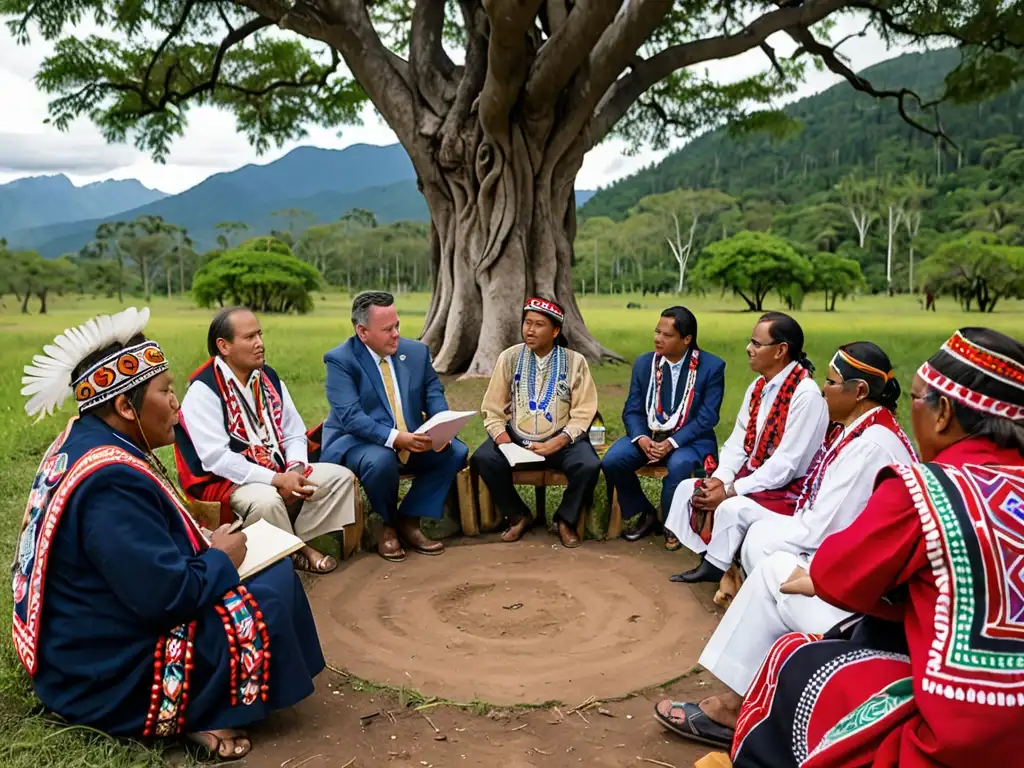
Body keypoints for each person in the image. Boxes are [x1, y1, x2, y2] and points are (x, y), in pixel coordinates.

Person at [14, 307, 324, 761]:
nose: (177, 402)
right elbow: (165, 598)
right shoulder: (108, 480)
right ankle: (197, 711)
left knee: (270, 577)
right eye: (166, 391)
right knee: (271, 593)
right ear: (124, 407)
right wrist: (220, 555)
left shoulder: (86, 440)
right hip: (101, 670)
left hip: (86, 633)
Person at [730, 328, 1024, 768]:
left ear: (943, 413)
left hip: (957, 731)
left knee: (798, 664)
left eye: (919, 400)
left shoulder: (928, 488)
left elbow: (837, 569)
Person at [651, 342, 916, 749]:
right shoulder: (864, 430)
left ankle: (735, 708)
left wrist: (811, 573)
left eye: (830, 382)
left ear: (859, 391)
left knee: (771, 564)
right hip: (852, 575)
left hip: (866, 610)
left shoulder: (871, 444)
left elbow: (822, 531)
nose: (823, 388)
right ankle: (743, 694)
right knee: (765, 553)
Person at [175, 307, 356, 575]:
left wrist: (294, 471)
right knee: (266, 501)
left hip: (277, 469)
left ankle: (287, 541)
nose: (259, 343)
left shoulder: (268, 377)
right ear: (223, 346)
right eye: (249, 337)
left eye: (259, 334)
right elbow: (217, 459)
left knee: (340, 478)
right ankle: (299, 551)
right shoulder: (203, 391)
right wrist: (275, 480)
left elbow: (294, 433)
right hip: (227, 481)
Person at [664, 312, 829, 582]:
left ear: (781, 350)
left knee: (732, 508)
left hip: (790, 491)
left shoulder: (805, 395)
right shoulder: (758, 386)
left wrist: (731, 491)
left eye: (756, 343)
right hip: (756, 477)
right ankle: (713, 557)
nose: (748, 349)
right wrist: (719, 480)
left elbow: (785, 465)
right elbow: (738, 443)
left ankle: (715, 567)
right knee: (689, 489)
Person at [321, 291, 469, 562]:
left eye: (397, 325)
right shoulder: (341, 360)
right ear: (362, 332)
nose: (396, 334)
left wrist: (441, 425)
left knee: (455, 451)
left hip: (410, 437)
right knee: (381, 461)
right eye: (387, 329)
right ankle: (386, 523)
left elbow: (433, 392)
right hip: (358, 442)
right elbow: (351, 417)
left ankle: (409, 519)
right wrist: (396, 438)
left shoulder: (416, 352)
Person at [470, 297, 601, 548]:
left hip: (561, 439)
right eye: (527, 323)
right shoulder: (509, 357)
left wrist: (560, 441)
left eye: (539, 324)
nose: (530, 330)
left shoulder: (575, 362)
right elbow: (492, 407)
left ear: (555, 331)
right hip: (516, 437)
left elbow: (584, 412)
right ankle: (518, 514)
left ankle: (565, 519)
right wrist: (505, 442)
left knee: (588, 464)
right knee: (484, 458)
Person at [602, 306, 726, 542]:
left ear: (687, 339)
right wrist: (641, 438)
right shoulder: (645, 363)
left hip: (690, 440)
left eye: (667, 335)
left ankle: (673, 524)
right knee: (613, 460)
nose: (658, 339)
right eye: (657, 332)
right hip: (650, 434)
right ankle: (644, 513)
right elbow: (632, 409)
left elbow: (707, 418)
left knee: (680, 464)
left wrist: (671, 442)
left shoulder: (711, 367)